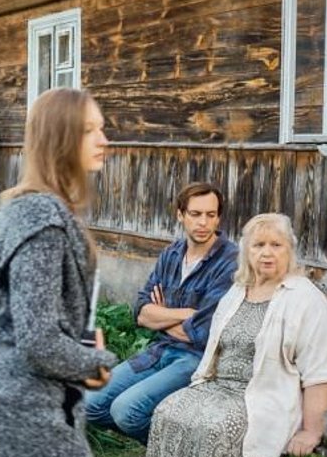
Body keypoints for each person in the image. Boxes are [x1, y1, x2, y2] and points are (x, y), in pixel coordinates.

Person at [0, 88, 119, 457]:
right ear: (60, 139)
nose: (104, 139)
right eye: (90, 130)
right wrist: (96, 362)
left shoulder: (27, 209)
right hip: (25, 408)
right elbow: (37, 340)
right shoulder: (42, 221)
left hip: (4, 399)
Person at [141, 213, 327, 457]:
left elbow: (320, 371)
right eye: (258, 245)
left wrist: (311, 430)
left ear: (289, 250)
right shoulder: (238, 290)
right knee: (169, 412)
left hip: (266, 395)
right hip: (219, 385)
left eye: (276, 245)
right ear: (246, 251)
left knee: (219, 427)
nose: (267, 253)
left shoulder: (306, 299)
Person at [84, 181, 238, 443]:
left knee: (126, 411)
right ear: (180, 215)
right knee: (90, 403)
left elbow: (201, 333)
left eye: (210, 215)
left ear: (218, 217)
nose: (203, 222)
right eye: (195, 214)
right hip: (160, 350)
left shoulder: (230, 261)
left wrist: (161, 315)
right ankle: (170, 447)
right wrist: (182, 313)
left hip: (196, 359)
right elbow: (140, 312)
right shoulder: (172, 253)